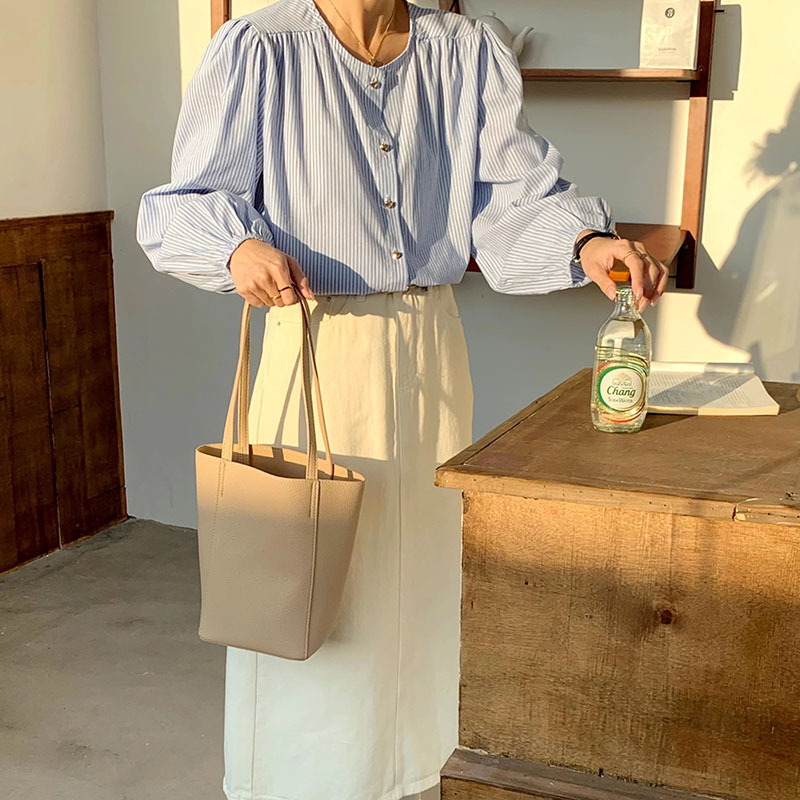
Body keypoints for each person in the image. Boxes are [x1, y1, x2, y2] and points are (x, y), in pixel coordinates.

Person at [135, 1, 669, 798]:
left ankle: (407, 774)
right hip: (315, 344)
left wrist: (585, 242)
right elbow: (182, 203)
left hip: (430, 352)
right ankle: (297, 780)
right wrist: (236, 247)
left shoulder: (465, 51)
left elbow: (510, 198)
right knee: (307, 578)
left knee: (420, 577)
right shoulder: (260, 48)